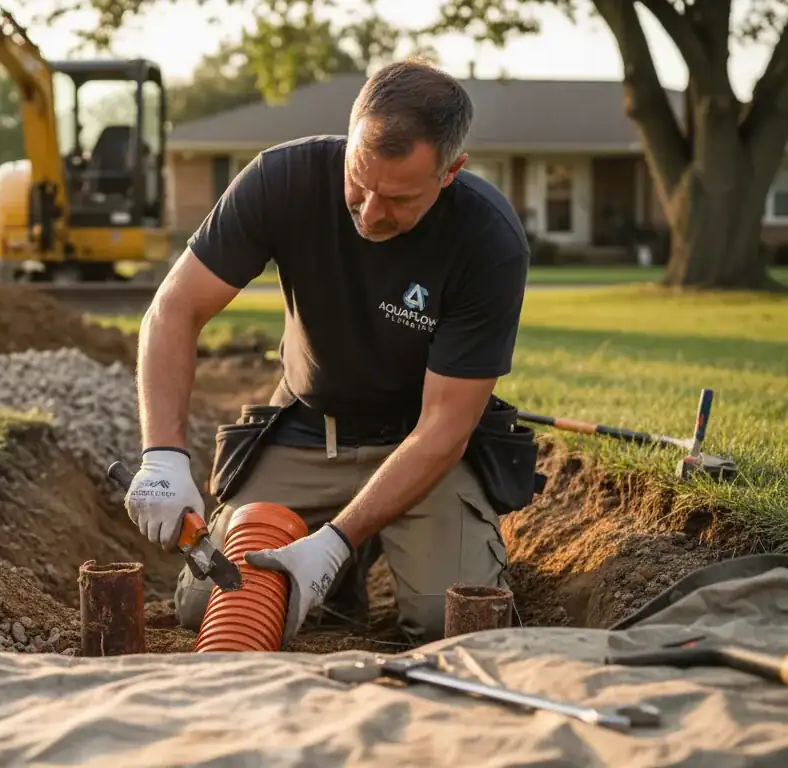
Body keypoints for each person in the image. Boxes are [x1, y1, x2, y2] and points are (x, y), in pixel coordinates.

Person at [123, 58, 539, 646]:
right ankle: (342, 575)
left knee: (444, 619)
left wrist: (334, 543)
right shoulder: (281, 179)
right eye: (359, 182)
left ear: (451, 172)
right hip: (308, 427)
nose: (370, 213)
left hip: (414, 441)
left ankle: (350, 549)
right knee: (207, 605)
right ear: (350, 137)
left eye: (397, 199)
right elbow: (173, 310)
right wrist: (162, 456)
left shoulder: (487, 240)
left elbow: (445, 427)